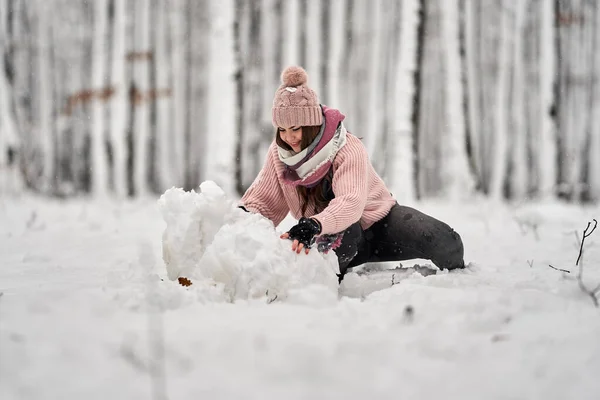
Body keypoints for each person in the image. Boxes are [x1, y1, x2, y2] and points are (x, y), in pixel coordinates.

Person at [238, 66, 465, 282]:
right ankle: (324, 281)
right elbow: (263, 202)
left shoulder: (346, 147)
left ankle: (459, 281)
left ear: (311, 125)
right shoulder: (280, 155)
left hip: (380, 225)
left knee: (446, 243)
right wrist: (237, 219)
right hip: (335, 240)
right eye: (282, 130)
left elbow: (351, 202)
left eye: (296, 129)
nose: (289, 137)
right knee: (344, 233)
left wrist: (314, 224)